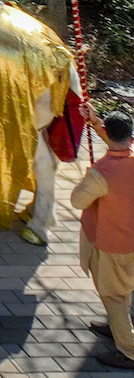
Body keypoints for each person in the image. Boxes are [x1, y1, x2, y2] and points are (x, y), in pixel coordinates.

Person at [72, 109, 134, 370]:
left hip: (112, 244)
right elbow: (115, 141)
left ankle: (128, 349)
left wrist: (89, 179)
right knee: (124, 289)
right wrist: (95, 120)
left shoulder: (102, 174)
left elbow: (77, 200)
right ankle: (116, 326)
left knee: (114, 296)